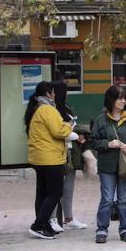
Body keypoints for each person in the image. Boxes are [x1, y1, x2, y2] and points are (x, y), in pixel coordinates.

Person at [90, 85, 126, 244]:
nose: (124, 101)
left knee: (124, 199)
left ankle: (125, 229)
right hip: (107, 165)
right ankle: (101, 230)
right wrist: (108, 144)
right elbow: (93, 142)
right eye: (120, 98)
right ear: (111, 100)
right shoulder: (101, 118)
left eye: (125, 98)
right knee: (107, 199)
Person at [24, 81, 77, 239]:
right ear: (48, 93)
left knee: (42, 193)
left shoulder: (37, 108)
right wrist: (69, 127)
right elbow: (58, 130)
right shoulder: (48, 109)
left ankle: (44, 224)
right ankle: (38, 225)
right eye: (53, 92)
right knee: (55, 192)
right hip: (50, 158)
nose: (56, 95)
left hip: (39, 157)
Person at [48, 81, 88, 233]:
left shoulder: (66, 108)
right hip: (59, 151)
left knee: (69, 187)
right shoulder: (52, 110)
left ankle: (69, 217)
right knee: (55, 188)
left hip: (71, 151)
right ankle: (51, 218)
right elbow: (59, 132)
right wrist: (75, 134)